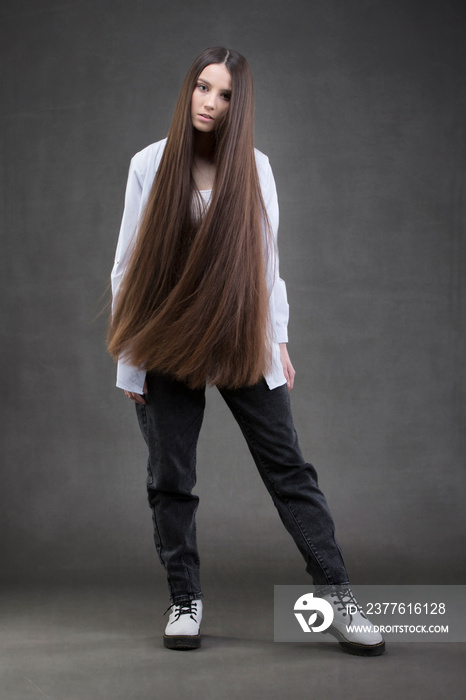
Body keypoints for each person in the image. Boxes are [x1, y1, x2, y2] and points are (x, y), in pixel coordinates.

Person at [107, 47, 384, 656]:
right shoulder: (149, 164)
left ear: (239, 103)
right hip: (165, 338)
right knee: (171, 477)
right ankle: (185, 600)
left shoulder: (255, 169)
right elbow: (127, 267)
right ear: (189, 91)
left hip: (238, 333)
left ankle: (338, 598)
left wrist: (277, 341)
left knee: (289, 470)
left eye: (225, 94)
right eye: (203, 88)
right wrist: (130, 356)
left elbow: (269, 266)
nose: (210, 103)